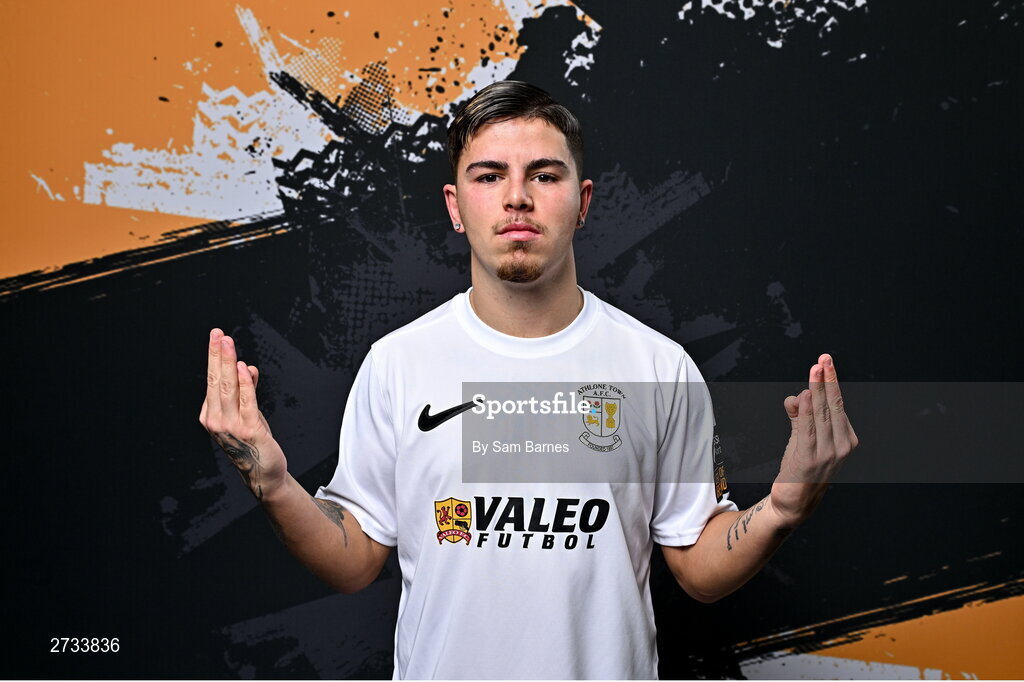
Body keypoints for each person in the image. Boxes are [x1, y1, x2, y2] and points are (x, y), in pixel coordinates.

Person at [199, 80, 858, 679]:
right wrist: (273, 483)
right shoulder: (400, 365)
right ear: (456, 206)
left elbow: (699, 567)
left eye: (544, 175)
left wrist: (781, 510)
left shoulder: (658, 369)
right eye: (490, 176)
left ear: (583, 201)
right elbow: (354, 557)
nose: (517, 197)